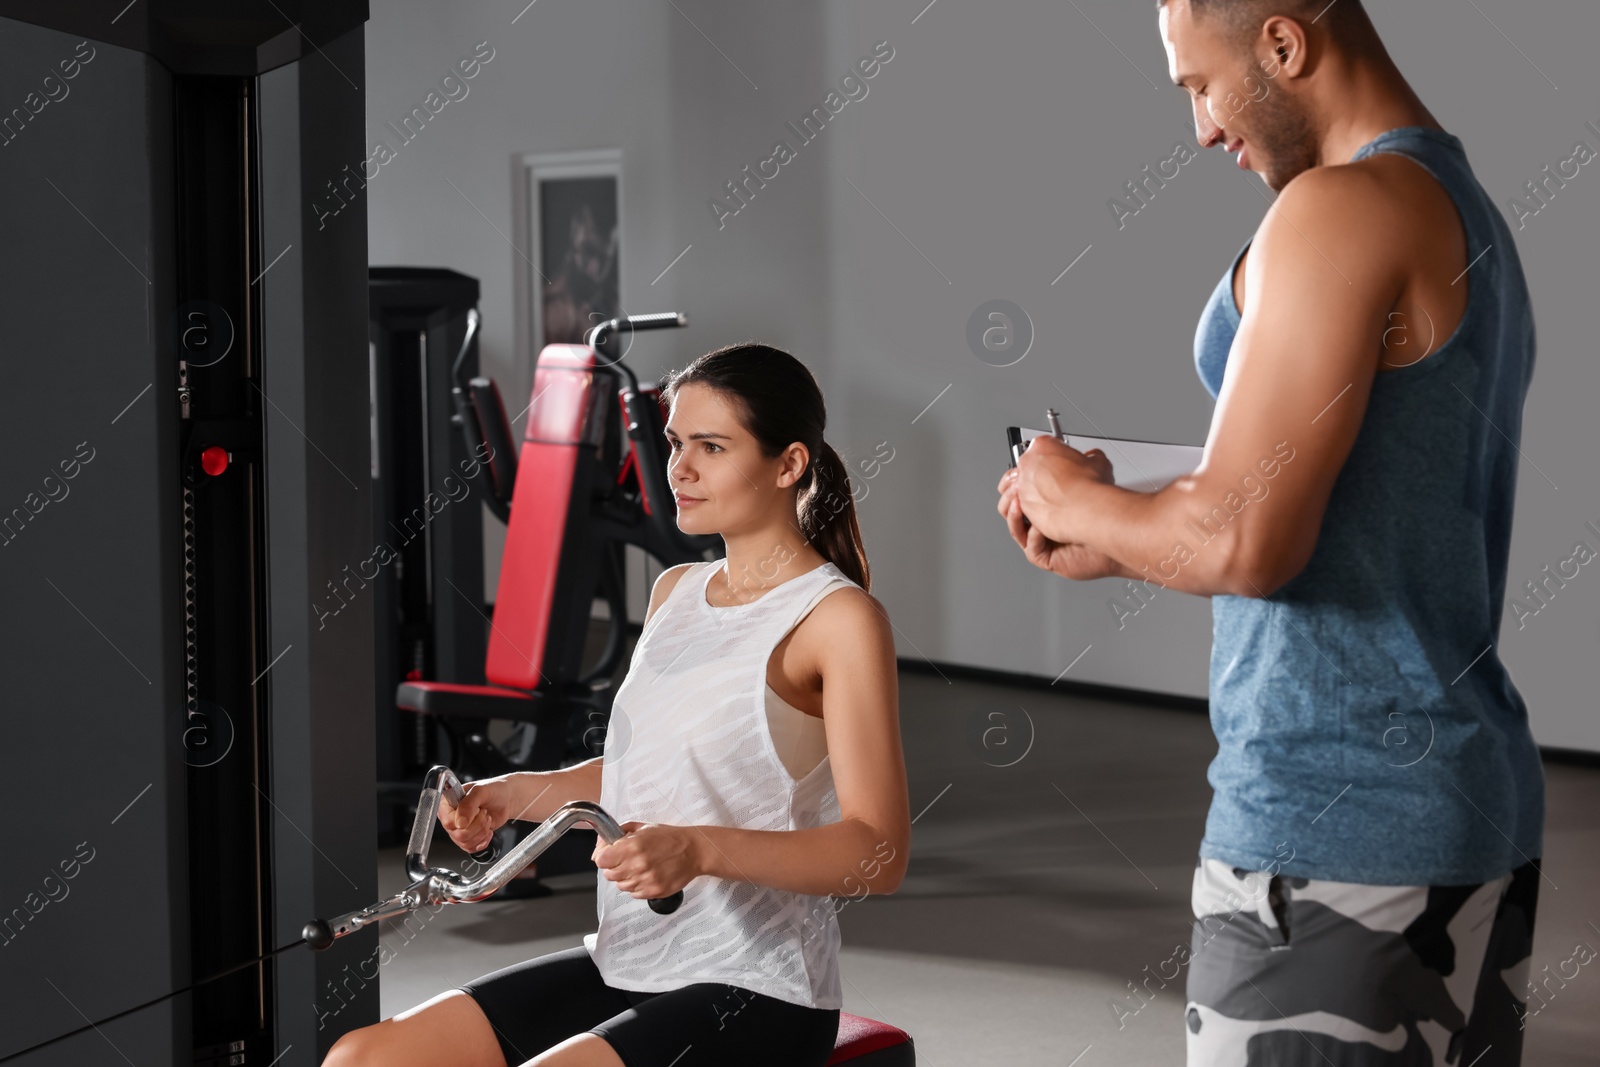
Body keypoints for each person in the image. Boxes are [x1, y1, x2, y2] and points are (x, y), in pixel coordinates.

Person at [997, 2, 1542, 1064]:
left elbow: (1247, 540)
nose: (1200, 128)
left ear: (1285, 45)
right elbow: (1360, 514)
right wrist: (1126, 535)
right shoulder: (1457, 206)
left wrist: (1063, 493)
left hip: (1335, 835)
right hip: (1461, 812)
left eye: (1200, 85)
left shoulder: (1339, 207)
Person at [325, 344, 910, 1067]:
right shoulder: (676, 594)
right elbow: (643, 772)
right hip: (631, 960)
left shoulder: (836, 619)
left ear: (789, 464)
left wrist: (698, 848)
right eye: (674, 442)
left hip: (758, 989)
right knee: (363, 1059)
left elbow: (876, 852)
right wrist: (513, 795)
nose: (679, 468)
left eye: (711, 446)